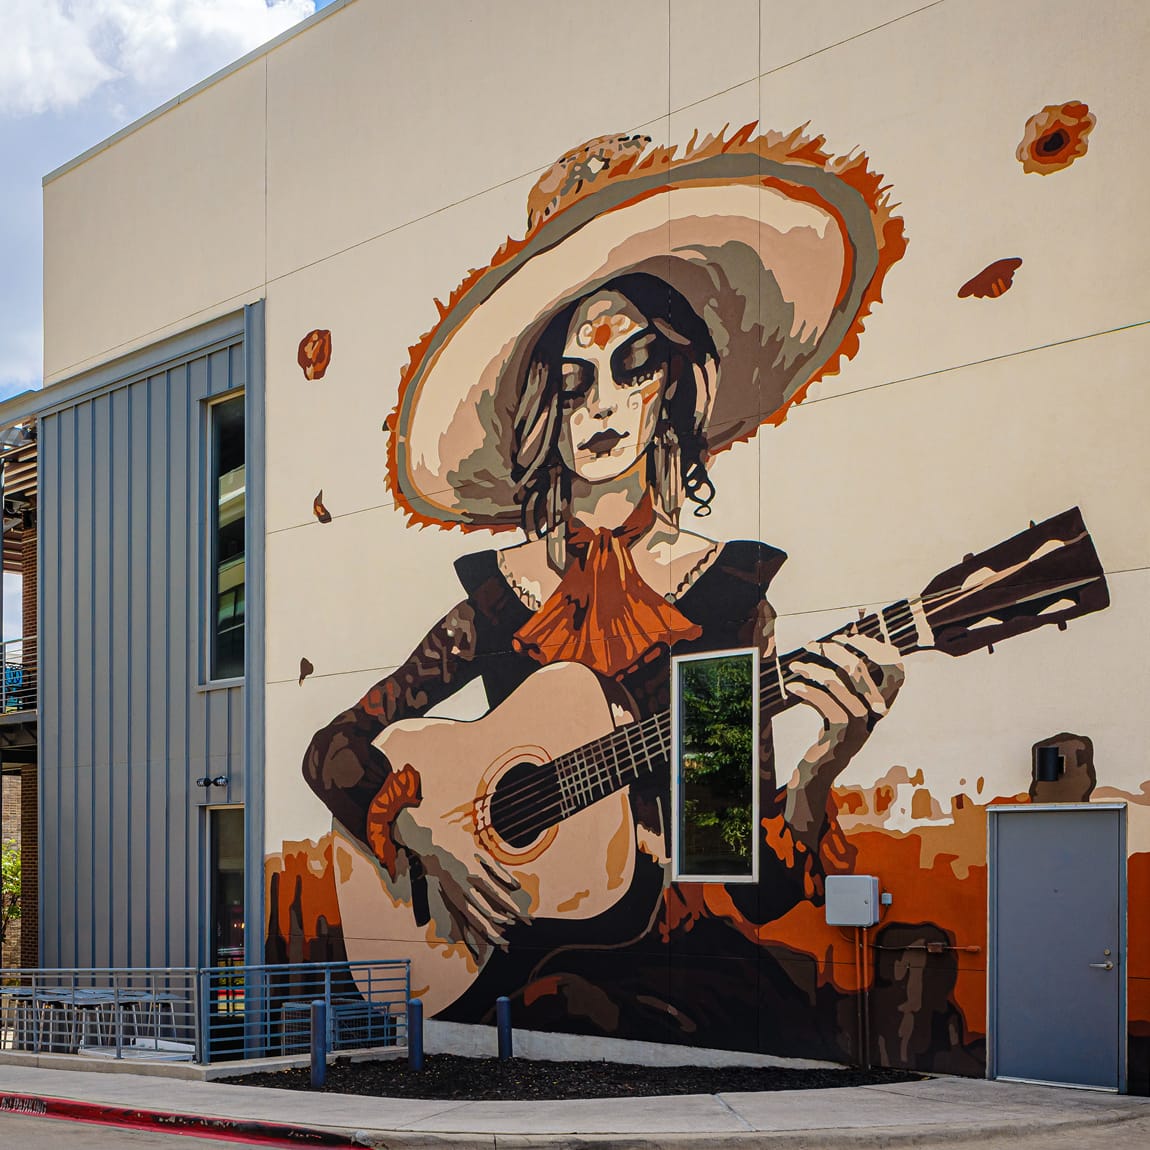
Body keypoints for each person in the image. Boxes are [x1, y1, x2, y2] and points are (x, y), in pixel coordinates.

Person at [302, 126, 908, 1054]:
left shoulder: (722, 598)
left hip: (669, 993)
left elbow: (737, 870)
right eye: (573, 380)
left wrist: (824, 765)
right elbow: (333, 748)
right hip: (503, 971)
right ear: (542, 409)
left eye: (635, 366)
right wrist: (425, 842)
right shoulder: (498, 600)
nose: (601, 406)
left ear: (675, 384)